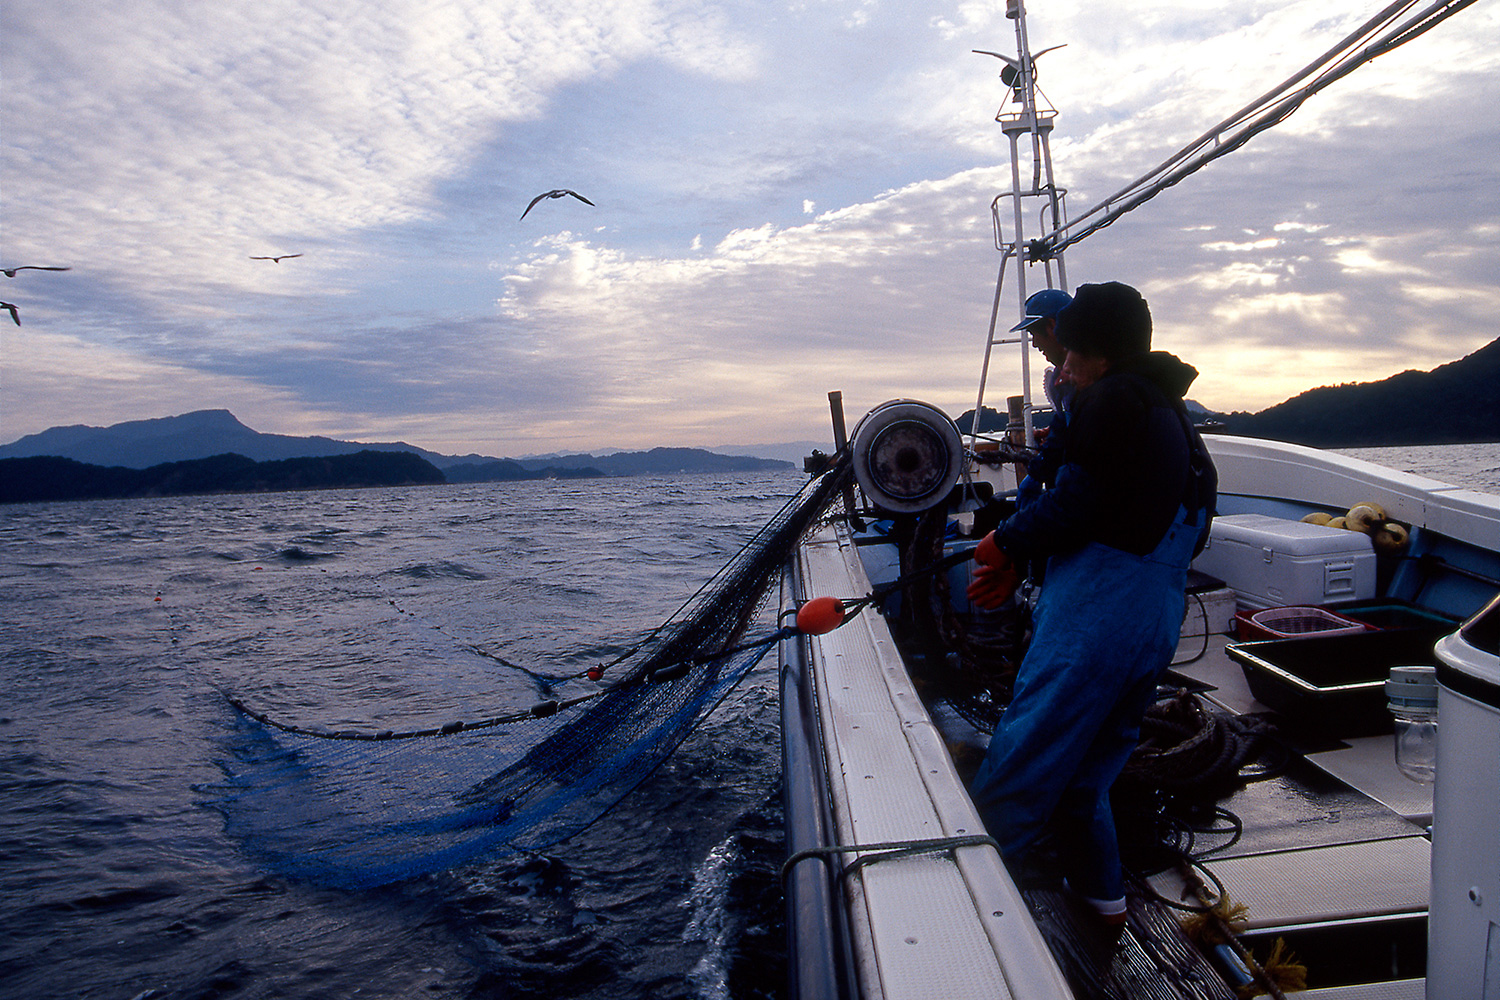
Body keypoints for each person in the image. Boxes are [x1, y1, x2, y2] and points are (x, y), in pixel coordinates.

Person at [965, 281, 1217, 925]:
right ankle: (1104, 901)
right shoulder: (1170, 415)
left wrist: (1004, 542)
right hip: (1154, 616)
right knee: (1085, 778)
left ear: (1102, 354)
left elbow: (1079, 501)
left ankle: (961, 912)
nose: (1062, 365)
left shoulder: (1110, 400)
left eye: (1072, 354)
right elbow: (1185, 519)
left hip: (1099, 618)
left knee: (1023, 759)